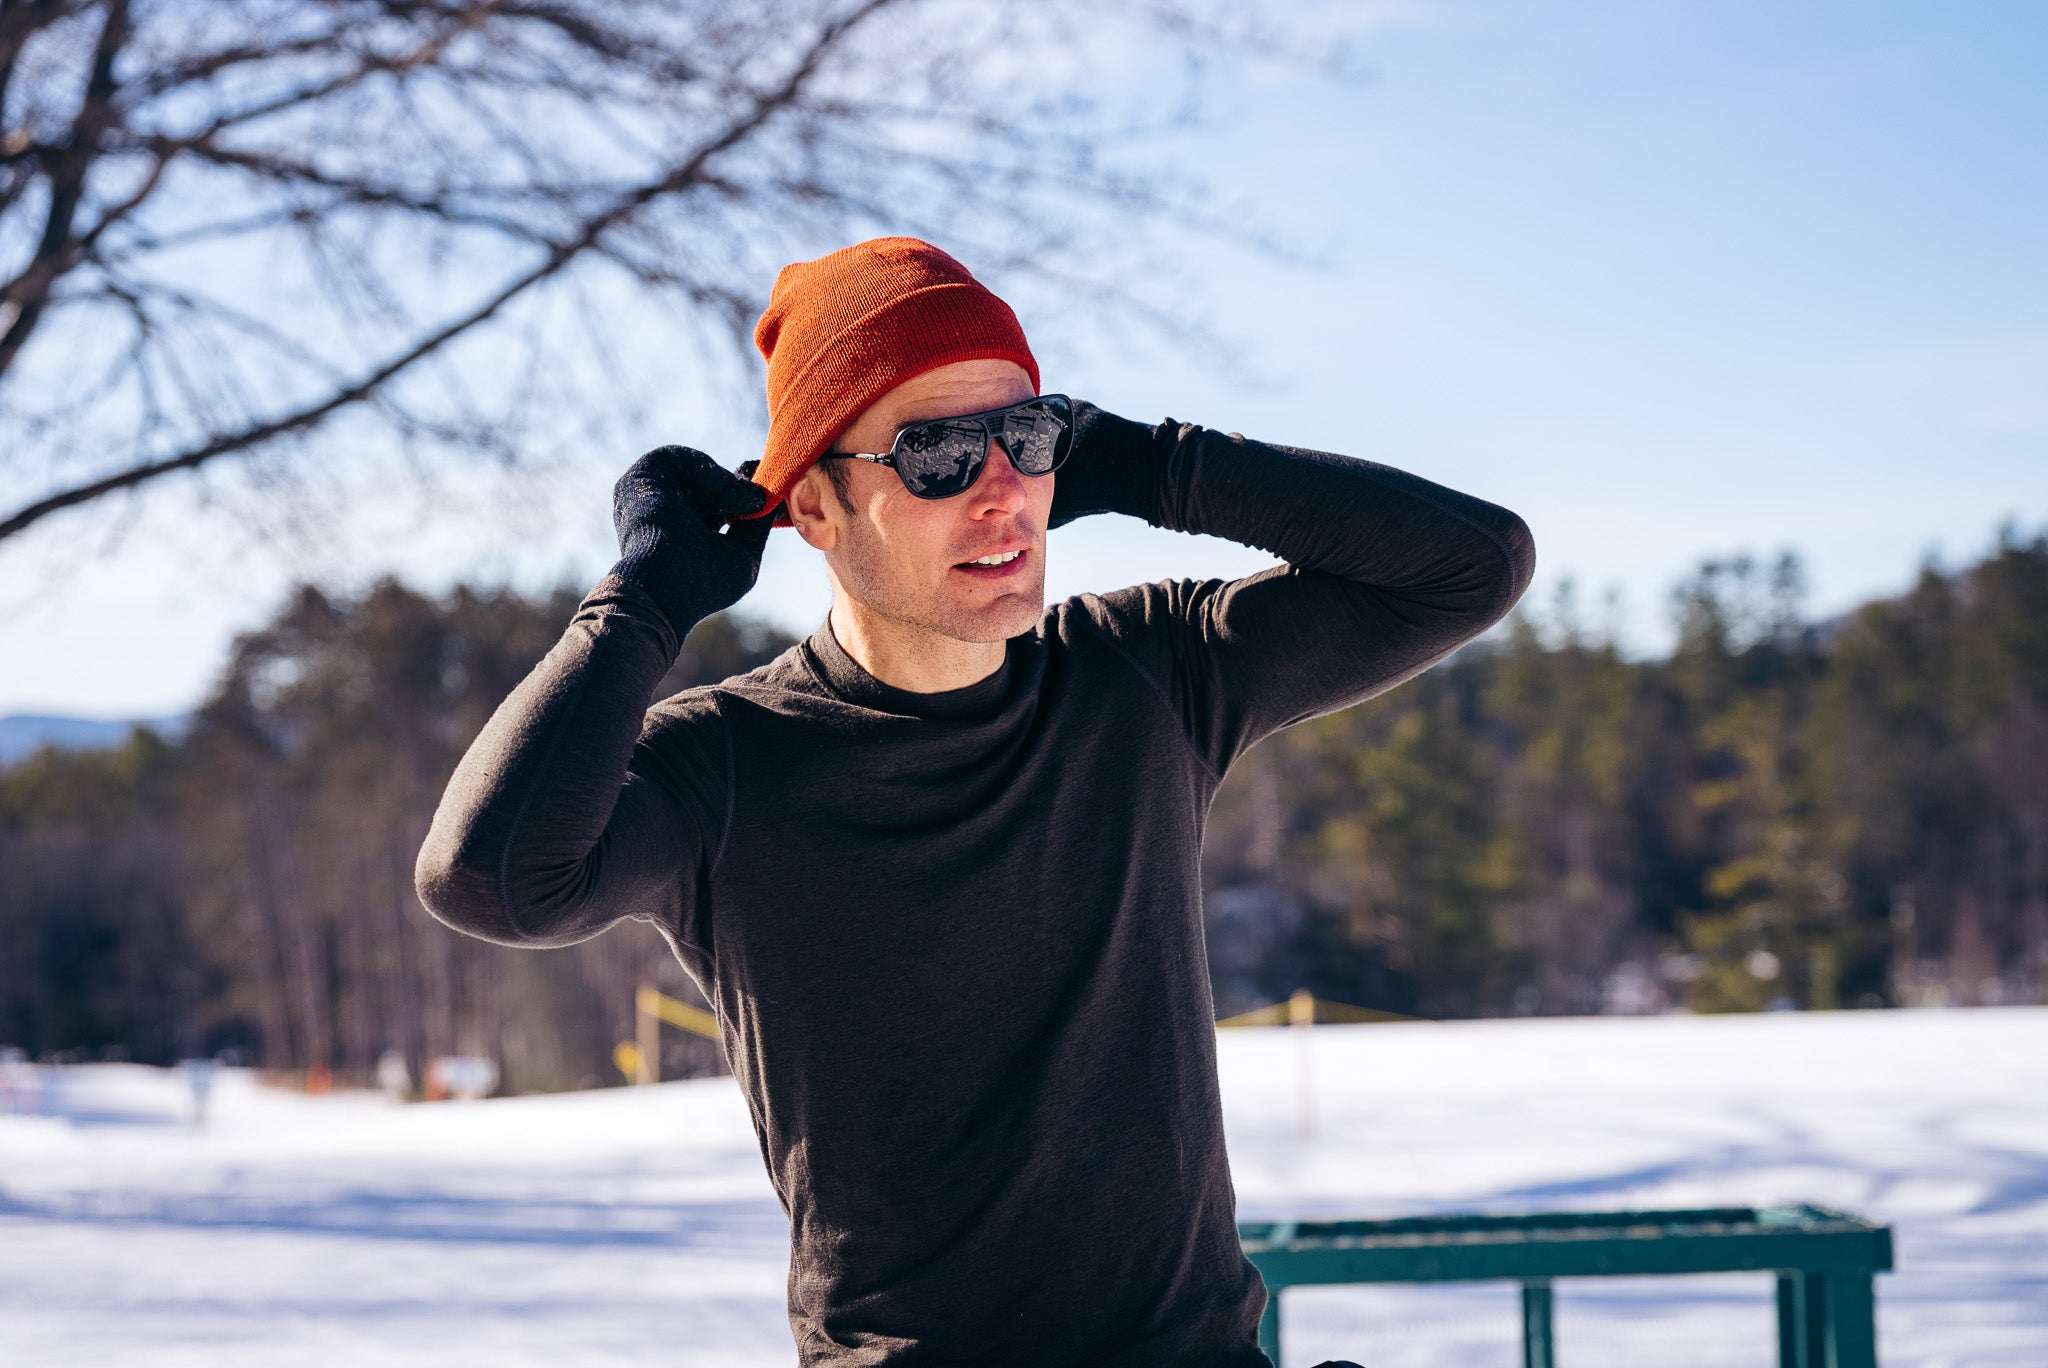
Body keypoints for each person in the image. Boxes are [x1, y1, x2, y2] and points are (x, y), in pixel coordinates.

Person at [417, 237, 1535, 1367]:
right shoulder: (725, 765)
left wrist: (1147, 465)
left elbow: (1470, 565)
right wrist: (642, 605)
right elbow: (492, 879)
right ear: (814, 504)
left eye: (1027, 438)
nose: (1003, 492)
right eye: (939, 453)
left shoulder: (1146, 672)